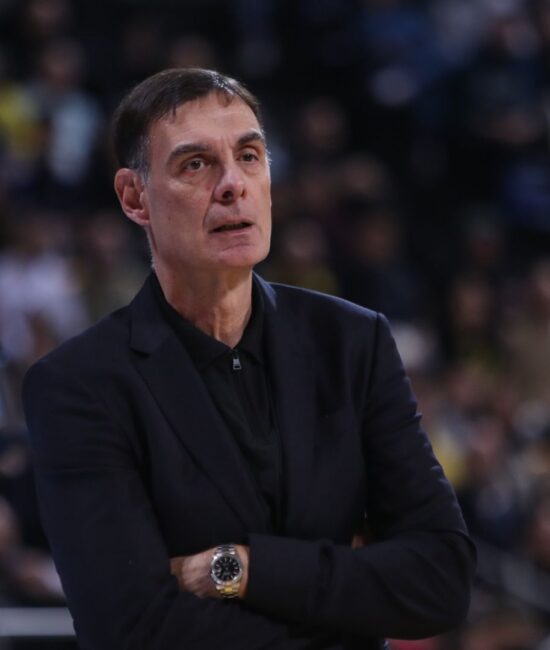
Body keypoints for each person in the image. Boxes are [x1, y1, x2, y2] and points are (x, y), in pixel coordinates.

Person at [22, 68, 476, 650]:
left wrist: (239, 568)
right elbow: (131, 630)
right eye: (195, 164)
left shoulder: (353, 341)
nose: (233, 184)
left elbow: (441, 579)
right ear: (134, 197)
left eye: (249, 156)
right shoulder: (79, 385)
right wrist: (349, 599)